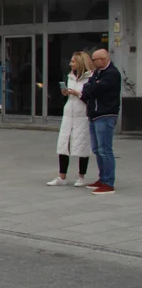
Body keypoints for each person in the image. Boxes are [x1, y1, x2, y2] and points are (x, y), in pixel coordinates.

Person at [77, 48, 121, 194]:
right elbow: (86, 89)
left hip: (105, 115)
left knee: (105, 150)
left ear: (103, 59)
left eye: (95, 60)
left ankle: (108, 183)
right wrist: (92, 86)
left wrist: (92, 86)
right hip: (94, 115)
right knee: (97, 150)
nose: (93, 62)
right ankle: (102, 179)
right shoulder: (98, 73)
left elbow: (94, 89)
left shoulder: (112, 74)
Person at [48, 51, 93, 187]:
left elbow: (89, 97)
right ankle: (62, 176)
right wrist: (66, 93)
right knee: (63, 144)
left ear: (80, 62)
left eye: (73, 61)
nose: (70, 64)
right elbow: (68, 97)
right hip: (69, 114)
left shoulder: (90, 78)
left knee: (82, 144)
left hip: (82, 115)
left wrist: (77, 93)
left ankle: (81, 176)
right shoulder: (70, 77)